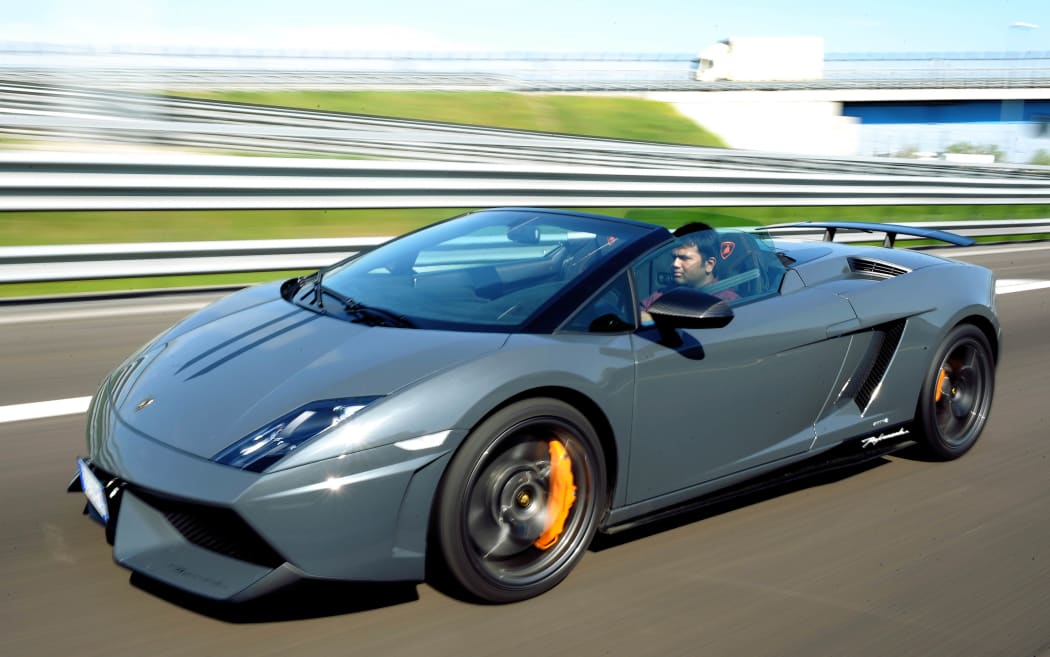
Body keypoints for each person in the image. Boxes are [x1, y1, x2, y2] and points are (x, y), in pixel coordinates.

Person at [640, 222, 739, 324]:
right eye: (674, 257)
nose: (675, 264)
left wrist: (654, 320)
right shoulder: (665, 293)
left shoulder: (727, 302)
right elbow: (638, 314)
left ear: (709, 264)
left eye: (684, 258)